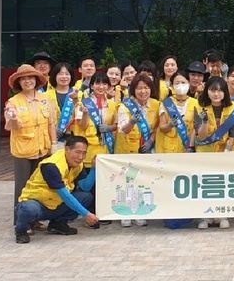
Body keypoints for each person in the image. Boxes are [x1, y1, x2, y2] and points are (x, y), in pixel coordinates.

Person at [14, 135, 98, 243]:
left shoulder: (78, 164)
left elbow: (85, 187)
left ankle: (57, 224)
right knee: (28, 208)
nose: (81, 157)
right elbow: (64, 194)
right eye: (77, 152)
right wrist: (86, 214)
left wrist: (94, 169)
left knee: (86, 197)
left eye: (84, 153)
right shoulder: (51, 165)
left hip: (56, 204)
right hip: (38, 205)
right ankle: (21, 231)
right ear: (67, 149)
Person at [4, 64, 57, 227]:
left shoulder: (45, 99)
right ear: (19, 83)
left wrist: (54, 144)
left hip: (43, 148)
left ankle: (35, 218)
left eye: (30, 78)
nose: (27, 81)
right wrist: (13, 119)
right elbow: (10, 126)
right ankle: (20, 222)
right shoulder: (13, 102)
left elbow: (51, 124)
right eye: (23, 79)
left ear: (36, 80)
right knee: (22, 187)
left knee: (38, 185)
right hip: (23, 151)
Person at [194, 76, 234, 229]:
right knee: (205, 184)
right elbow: (200, 136)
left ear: (225, 92)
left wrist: (226, 152)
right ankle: (204, 217)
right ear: (207, 91)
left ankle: (222, 215)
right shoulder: (199, 107)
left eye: (220, 91)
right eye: (213, 90)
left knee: (222, 184)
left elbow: (233, 135)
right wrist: (204, 122)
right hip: (205, 153)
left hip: (224, 153)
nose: (216, 94)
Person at [115, 72, 161, 227]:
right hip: (127, 149)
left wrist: (151, 140)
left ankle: (139, 211)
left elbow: (157, 128)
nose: (143, 91)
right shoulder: (125, 106)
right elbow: (122, 129)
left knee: (142, 181)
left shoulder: (156, 104)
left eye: (146, 87)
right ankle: (126, 212)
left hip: (145, 150)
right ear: (133, 90)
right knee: (128, 181)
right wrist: (132, 122)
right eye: (139, 88)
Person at [72, 72, 116, 169]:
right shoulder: (82, 103)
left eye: (104, 84)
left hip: (106, 151)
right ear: (92, 86)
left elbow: (116, 125)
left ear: (108, 86)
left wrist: (109, 128)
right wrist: (85, 114)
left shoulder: (112, 104)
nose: (101, 87)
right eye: (97, 83)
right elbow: (81, 126)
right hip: (88, 151)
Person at [157, 71, 198, 153]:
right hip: (168, 148)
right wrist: (170, 125)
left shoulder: (196, 103)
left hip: (187, 148)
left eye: (183, 82)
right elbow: (162, 127)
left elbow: (197, 127)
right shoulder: (166, 103)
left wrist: (191, 146)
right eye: (177, 83)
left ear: (188, 83)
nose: (180, 85)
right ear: (172, 86)